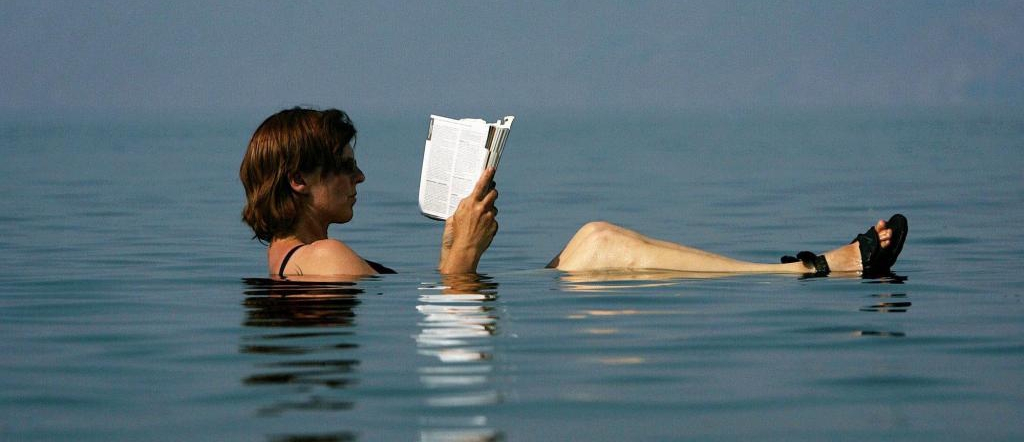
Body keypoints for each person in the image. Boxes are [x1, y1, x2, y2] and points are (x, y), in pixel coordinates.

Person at [240, 107, 907, 278]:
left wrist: (456, 252)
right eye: (344, 168)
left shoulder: (291, 259)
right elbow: (446, 308)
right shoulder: (321, 260)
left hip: (473, 290)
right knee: (598, 248)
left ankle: (803, 269)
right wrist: (460, 259)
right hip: (468, 295)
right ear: (300, 180)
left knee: (595, 240)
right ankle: (812, 269)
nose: (359, 179)